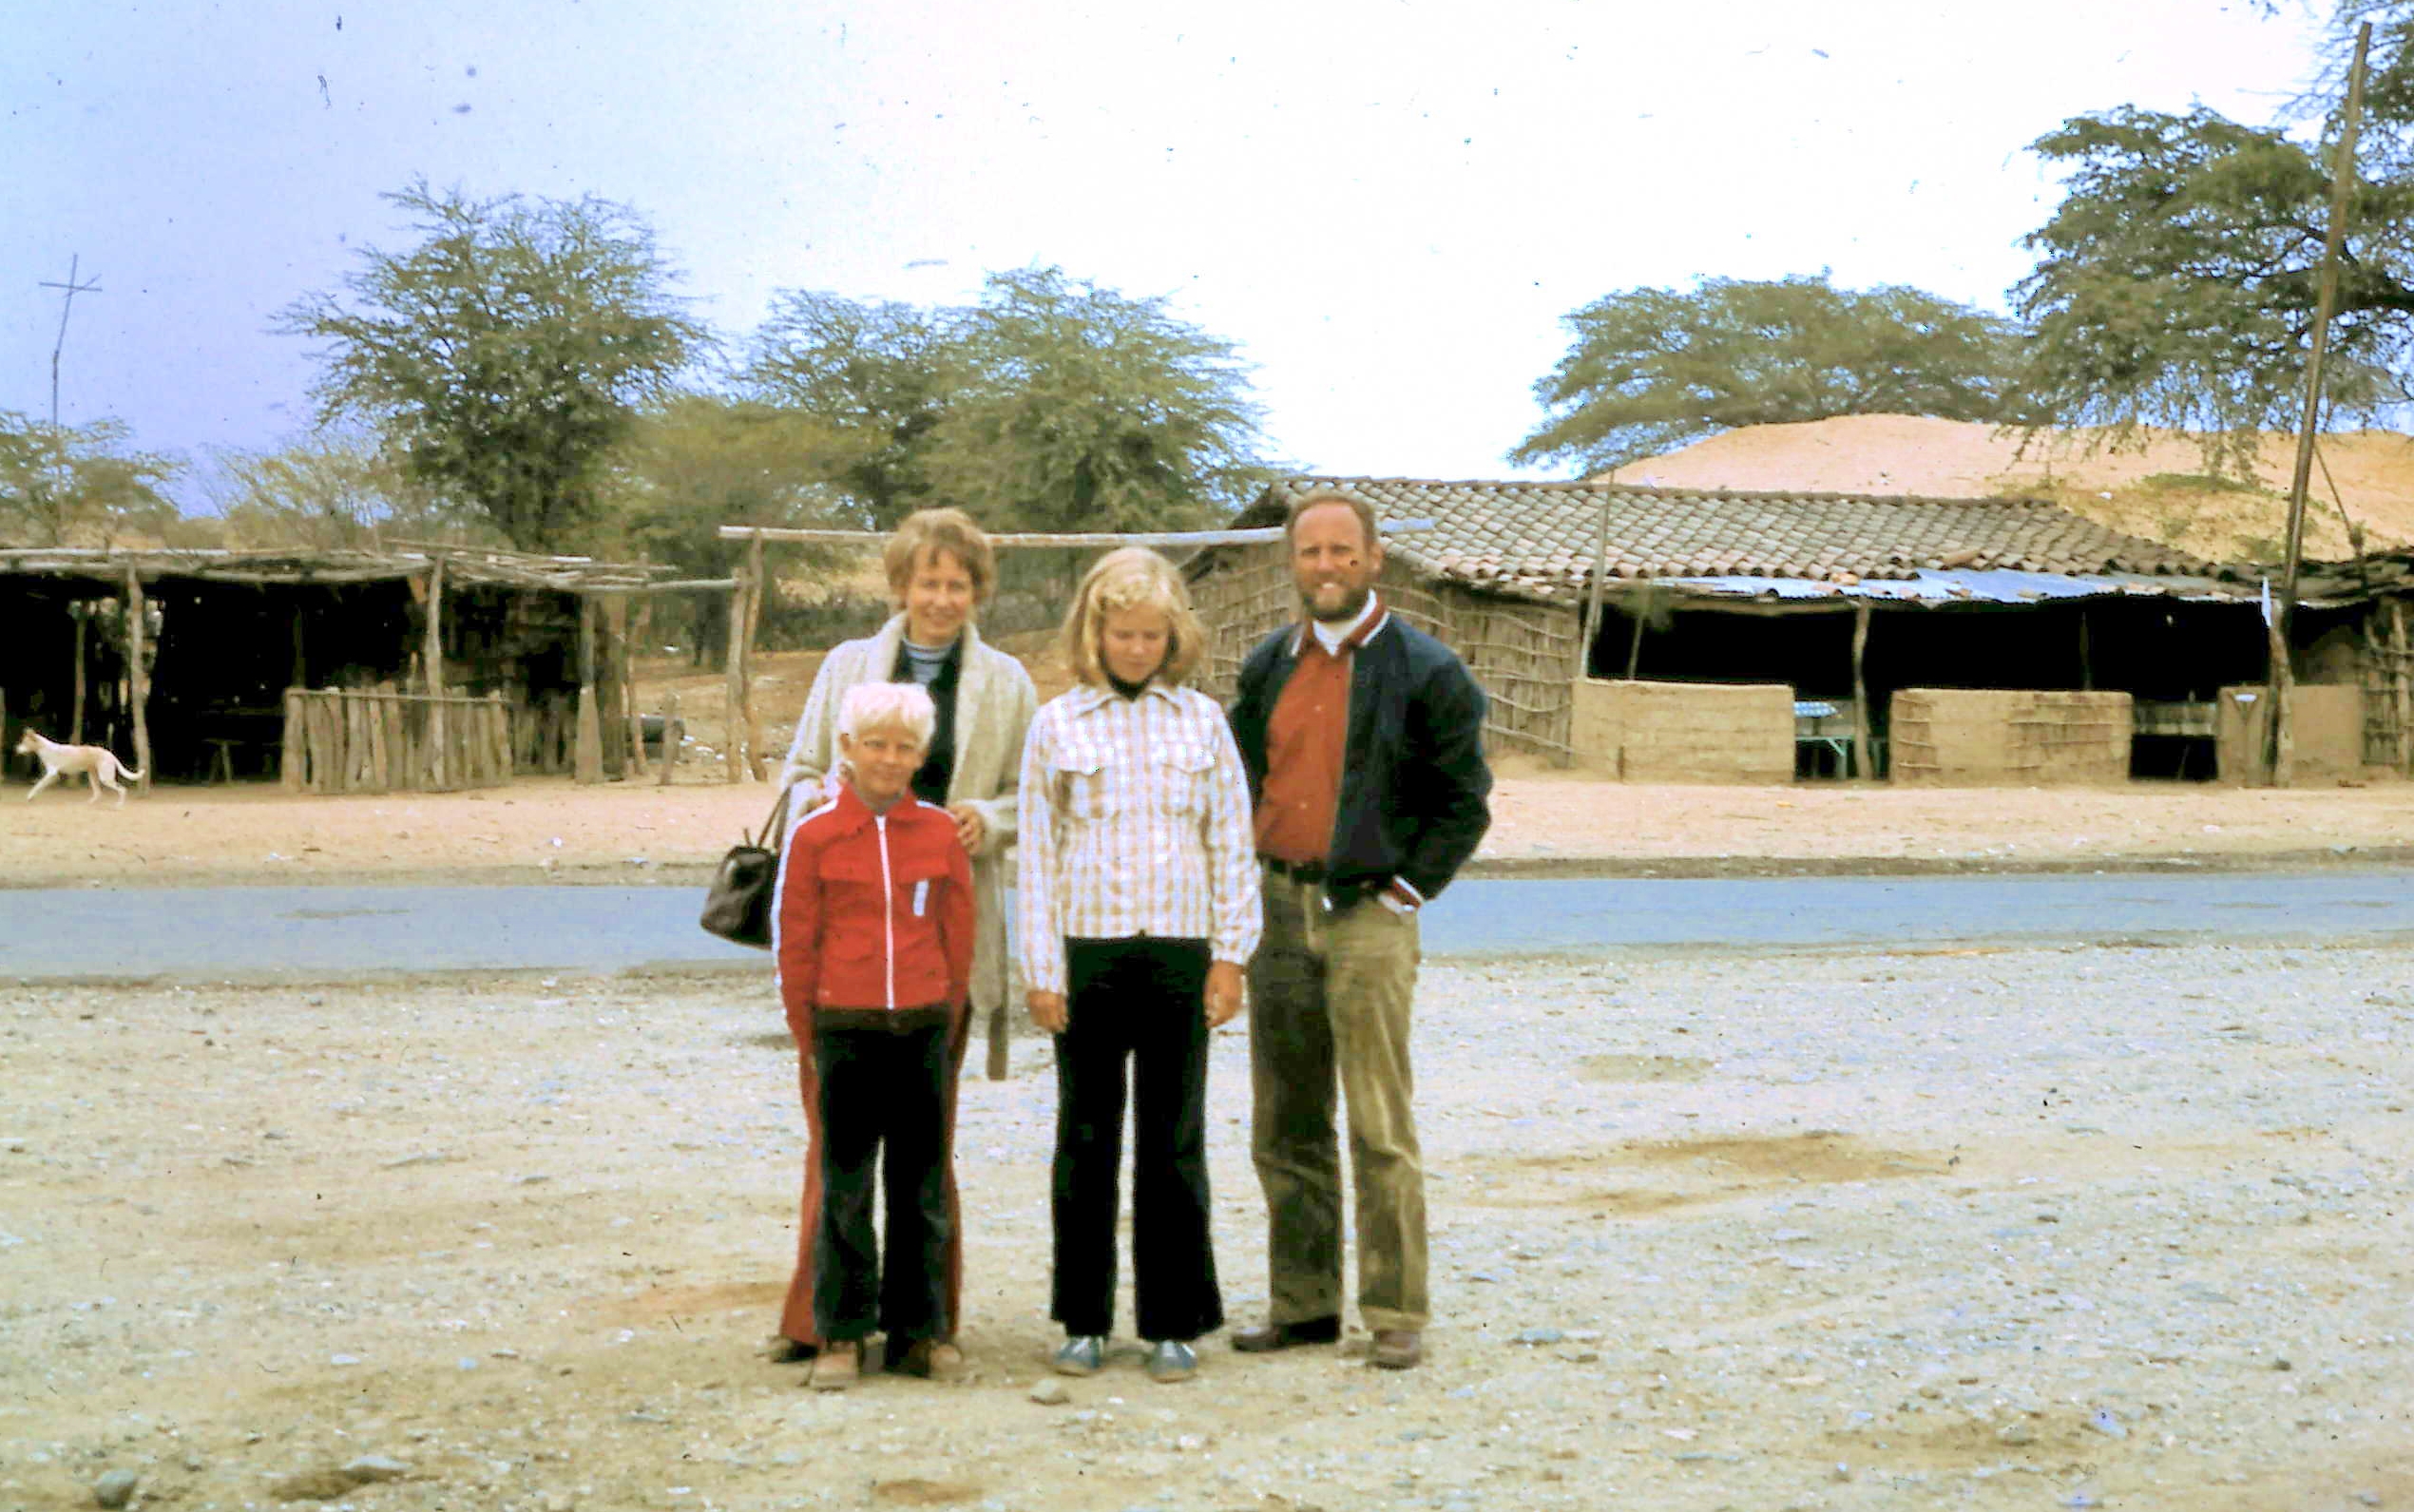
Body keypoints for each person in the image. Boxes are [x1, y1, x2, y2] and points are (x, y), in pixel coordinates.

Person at [1226, 488, 1491, 1371]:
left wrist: (1405, 893)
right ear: (1291, 562)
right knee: (1286, 1118)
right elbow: (1237, 778)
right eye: (1311, 551)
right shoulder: (1269, 665)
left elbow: (1464, 802)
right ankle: (1302, 1306)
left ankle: (1393, 1309)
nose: (1327, 565)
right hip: (1276, 908)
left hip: (1368, 915)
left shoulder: (1427, 670)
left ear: (1374, 558)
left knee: (1378, 1120)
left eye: (1343, 550)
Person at [1017, 547, 1261, 1386]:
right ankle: (1083, 1320)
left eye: (1151, 635)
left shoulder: (1203, 723)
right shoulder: (1056, 725)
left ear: (1173, 637)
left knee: (1173, 1140)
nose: (1135, 648)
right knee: (1085, 1138)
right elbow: (1037, 855)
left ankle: (1172, 1322)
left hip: (1179, 955)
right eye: (1122, 634)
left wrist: (1230, 957)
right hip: (1088, 954)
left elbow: (1231, 844)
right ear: (1096, 633)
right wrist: (1042, 969)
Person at [781, 506, 1037, 1079]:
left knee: (933, 1087)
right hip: (848, 910)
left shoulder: (1008, 681)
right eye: (928, 583)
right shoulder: (845, 665)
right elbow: (801, 771)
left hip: (947, 907)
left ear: (977, 592)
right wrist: (818, 800)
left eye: (957, 586)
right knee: (843, 1088)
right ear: (902, 586)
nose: (942, 600)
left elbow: (1031, 793)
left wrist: (990, 819)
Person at [774, 681, 975, 1390]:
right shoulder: (815, 836)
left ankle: (921, 1332)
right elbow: (797, 942)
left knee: (921, 1186)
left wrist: (945, 1017)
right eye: (876, 744)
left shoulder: (941, 834)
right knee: (845, 1188)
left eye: (904, 746)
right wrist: (807, 1031)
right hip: (844, 1029)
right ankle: (841, 1332)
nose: (889, 758)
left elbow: (958, 936)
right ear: (848, 748)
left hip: (921, 1027)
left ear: (922, 755)